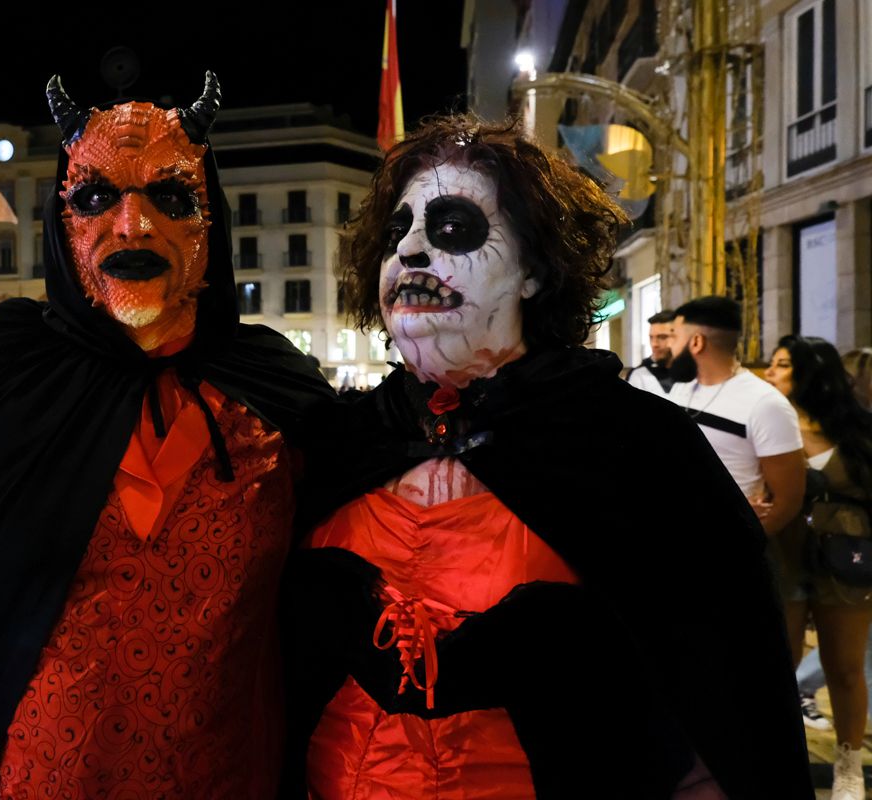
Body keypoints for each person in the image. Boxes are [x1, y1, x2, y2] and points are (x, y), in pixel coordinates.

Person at [284, 114, 812, 798]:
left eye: (451, 228)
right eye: (397, 233)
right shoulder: (343, 440)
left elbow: (725, 687)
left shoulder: (631, 445)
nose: (411, 251)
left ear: (532, 270)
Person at [0, 73, 333, 800]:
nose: (133, 226)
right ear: (60, 219)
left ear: (210, 219)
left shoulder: (275, 392)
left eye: (169, 197)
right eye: (97, 197)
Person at [764, 335, 872, 800]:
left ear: (811, 373)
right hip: (782, 556)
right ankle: (778, 763)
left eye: (782, 365)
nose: (770, 373)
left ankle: (849, 767)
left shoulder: (858, 430)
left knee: (845, 668)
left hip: (845, 559)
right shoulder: (766, 422)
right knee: (777, 668)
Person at [667, 296, 806, 535]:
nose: (670, 346)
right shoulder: (681, 389)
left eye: (674, 336)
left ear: (697, 342)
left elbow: (787, 501)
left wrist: (743, 547)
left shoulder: (764, 403)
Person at [626, 309, 676, 394]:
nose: (654, 344)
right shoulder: (639, 376)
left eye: (662, 337)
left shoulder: (696, 373)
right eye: (651, 337)